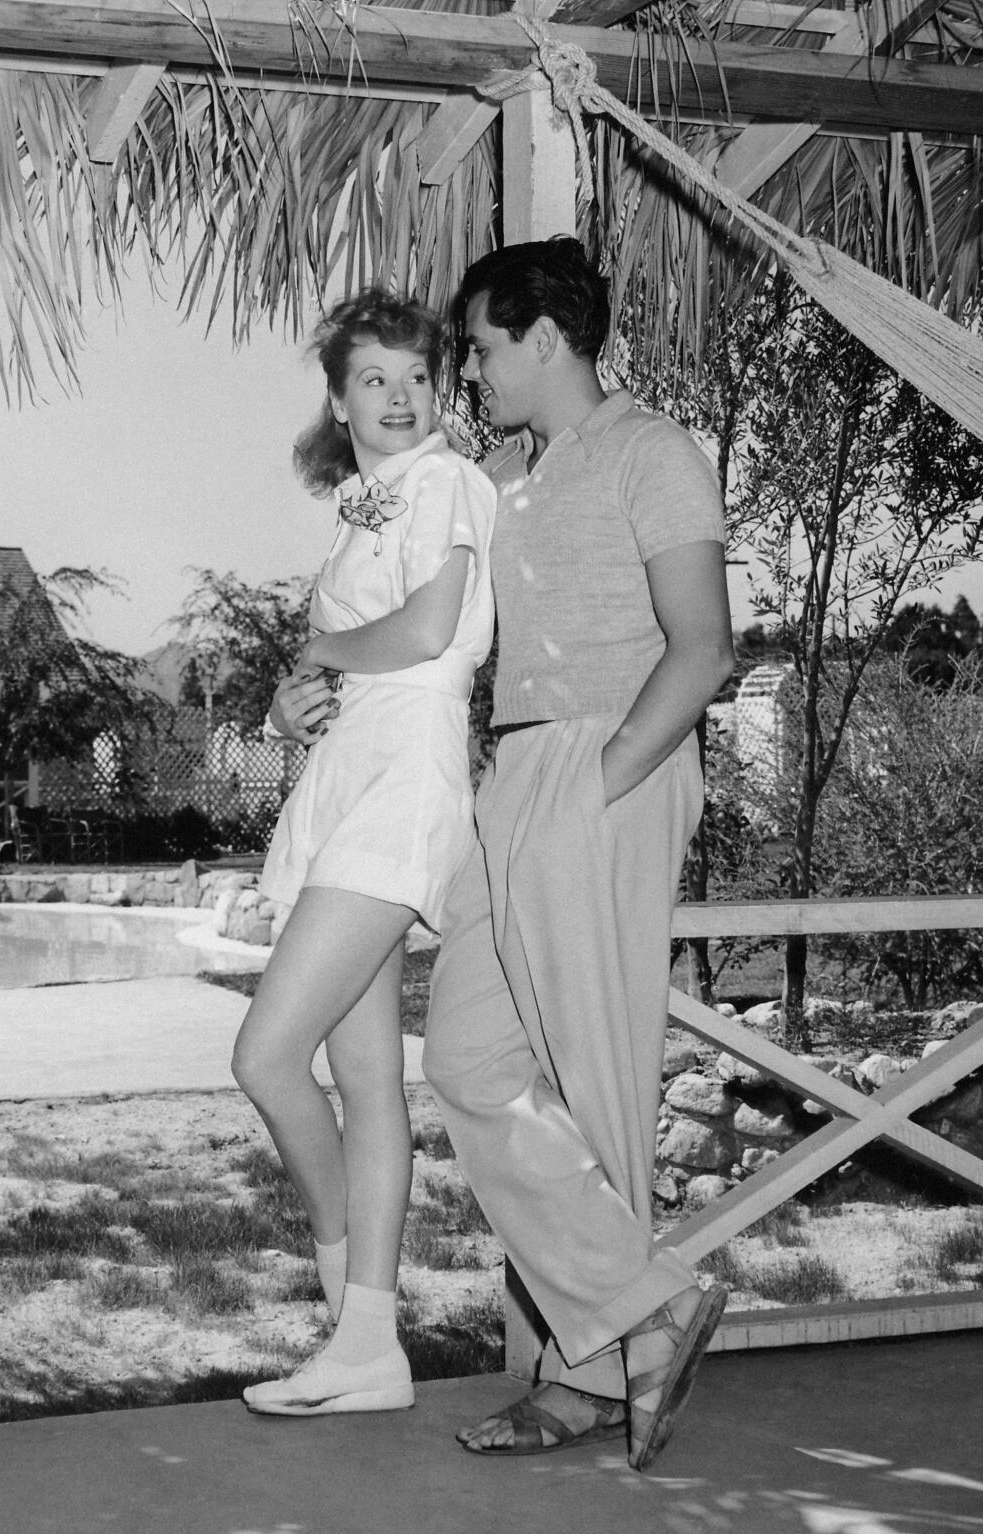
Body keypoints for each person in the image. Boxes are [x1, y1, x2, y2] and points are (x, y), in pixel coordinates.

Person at [423, 238, 735, 1468]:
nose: (473, 368)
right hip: (517, 768)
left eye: (485, 345)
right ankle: (643, 1307)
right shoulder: (510, 473)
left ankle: (580, 1380)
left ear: (544, 337)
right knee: (467, 1057)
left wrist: (600, 788)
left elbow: (702, 648)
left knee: (594, 1073)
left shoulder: (653, 453)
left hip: (608, 761)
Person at [233, 289, 497, 1417]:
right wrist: (291, 706)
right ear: (339, 402)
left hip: (401, 785)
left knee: (264, 1057)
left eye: (417, 379)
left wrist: (320, 647)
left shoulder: (445, 482)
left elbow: (427, 634)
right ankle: (368, 1351)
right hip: (352, 777)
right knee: (360, 1081)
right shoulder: (365, 504)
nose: (398, 399)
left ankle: (353, 1304)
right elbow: (347, 660)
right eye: (374, 382)